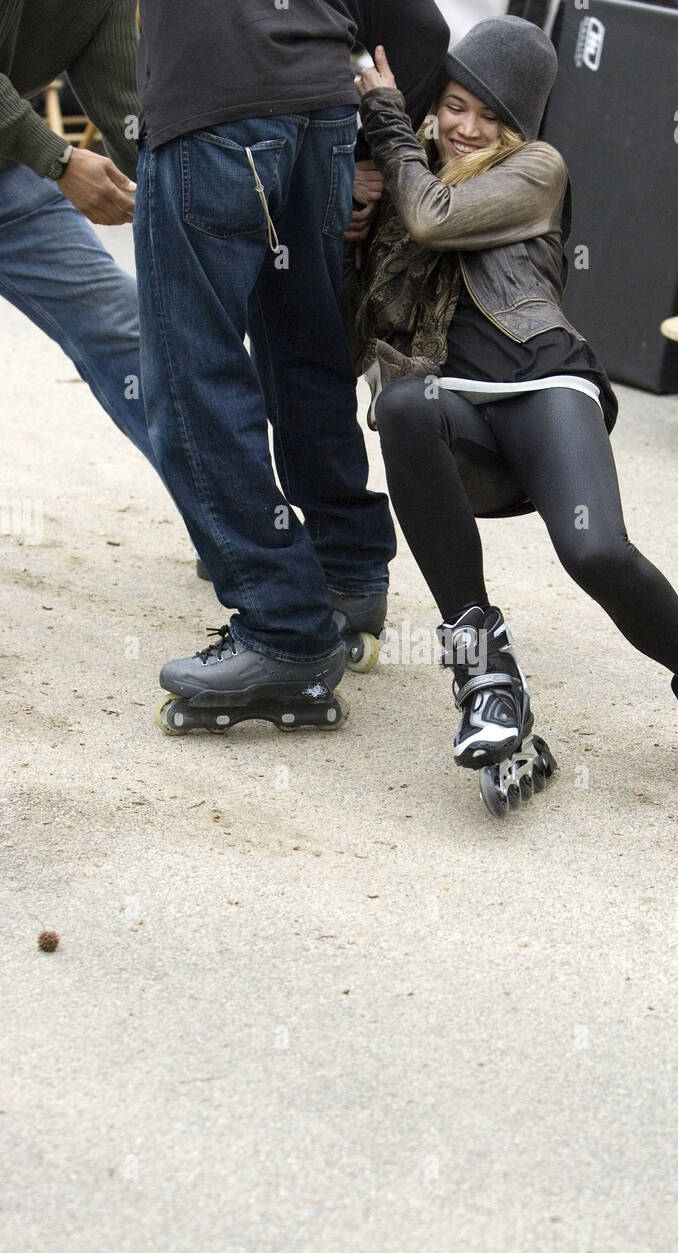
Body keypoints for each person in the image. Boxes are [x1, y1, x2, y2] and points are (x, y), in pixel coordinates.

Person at [351, 17, 678, 809]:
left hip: (543, 384)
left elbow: (435, 218)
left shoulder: (537, 170)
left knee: (597, 554)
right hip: (458, 414)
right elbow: (365, 303)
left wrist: (386, 124)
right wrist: (352, 214)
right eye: (455, 105)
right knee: (403, 406)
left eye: (490, 117)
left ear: (520, 128)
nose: (467, 127)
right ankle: (486, 671)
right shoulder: (403, 173)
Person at [135, 0, 451, 736]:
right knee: (304, 349)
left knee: (193, 380)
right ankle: (347, 568)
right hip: (321, 119)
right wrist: (368, 155)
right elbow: (422, 28)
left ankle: (284, 629)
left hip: (211, 111)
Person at [0, 0, 153, 463]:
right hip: (28, 157)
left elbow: (127, 111)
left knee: (128, 333)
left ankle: (249, 535)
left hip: (8, 176)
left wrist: (172, 193)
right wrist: (60, 160)